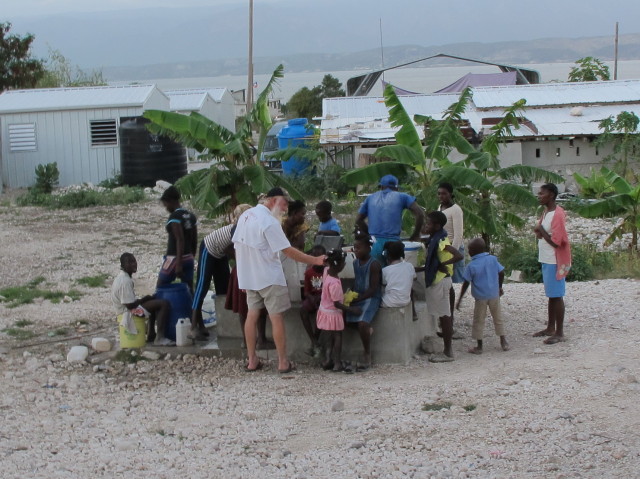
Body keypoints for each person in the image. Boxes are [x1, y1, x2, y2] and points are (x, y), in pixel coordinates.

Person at [232, 187, 325, 373]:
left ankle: (252, 360)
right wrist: (315, 260)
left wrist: (243, 278)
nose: (285, 209)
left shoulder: (246, 215)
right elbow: (288, 251)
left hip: (250, 276)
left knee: (252, 315)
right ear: (274, 200)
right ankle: (283, 363)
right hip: (269, 277)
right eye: (284, 204)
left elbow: (238, 246)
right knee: (276, 318)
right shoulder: (268, 221)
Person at [190, 204, 251, 340]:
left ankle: (222, 325)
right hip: (210, 248)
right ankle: (194, 326)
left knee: (224, 288)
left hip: (221, 253)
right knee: (202, 286)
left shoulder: (247, 229)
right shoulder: (237, 229)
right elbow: (231, 250)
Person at [419, 211, 463, 362]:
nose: (426, 226)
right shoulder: (434, 238)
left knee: (445, 316)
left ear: (437, 226)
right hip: (439, 280)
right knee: (443, 314)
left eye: (428, 224)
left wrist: (442, 265)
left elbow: (458, 255)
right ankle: (446, 348)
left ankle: (447, 352)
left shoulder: (442, 240)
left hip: (441, 281)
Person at [532, 183, 571, 345]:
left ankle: (559, 332)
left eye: (542, 194)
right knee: (551, 295)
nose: (539, 196)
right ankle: (550, 327)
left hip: (555, 259)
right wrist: (540, 230)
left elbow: (557, 242)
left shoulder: (558, 214)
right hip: (546, 258)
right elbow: (542, 234)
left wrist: (541, 229)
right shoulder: (546, 212)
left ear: (552, 195)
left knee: (557, 295)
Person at [456, 238, 510, 354]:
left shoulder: (471, 266)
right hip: (494, 295)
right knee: (498, 318)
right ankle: (503, 341)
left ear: (474, 251)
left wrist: (460, 299)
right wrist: (500, 287)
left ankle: (479, 346)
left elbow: (466, 283)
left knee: (479, 320)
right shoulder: (492, 259)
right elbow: (501, 272)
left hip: (480, 297)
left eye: (469, 249)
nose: (468, 251)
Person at [355, 174, 424, 265]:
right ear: (396, 188)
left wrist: (369, 234)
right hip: (394, 246)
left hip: (374, 244)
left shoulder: (370, 198)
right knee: (393, 276)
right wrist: (416, 234)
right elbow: (420, 214)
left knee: (376, 275)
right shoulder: (402, 196)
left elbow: (358, 220)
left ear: (381, 186)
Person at [112, 253, 172, 346]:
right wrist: (145, 299)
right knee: (163, 304)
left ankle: (151, 334)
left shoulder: (123, 277)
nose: (134, 264)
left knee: (153, 302)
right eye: (130, 262)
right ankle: (160, 338)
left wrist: (146, 299)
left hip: (127, 309)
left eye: (134, 261)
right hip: (126, 313)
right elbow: (130, 305)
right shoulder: (125, 281)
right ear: (123, 265)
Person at [317, 249, 361, 372]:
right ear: (339, 265)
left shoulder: (326, 272)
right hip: (333, 313)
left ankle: (327, 360)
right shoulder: (335, 283)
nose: (345, 265)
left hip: (324, 310)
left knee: (329, 337)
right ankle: (337, 362)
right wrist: (352, 309)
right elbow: (337, 304)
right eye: (344, 263)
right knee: (337, 337)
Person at [345, 234, 382, 370]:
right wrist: (350, 296)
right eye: (355, 247)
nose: (356, 250)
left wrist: (359, 299)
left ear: (368, 248)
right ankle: (368, 330)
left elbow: (373, 289)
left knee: (362, 323)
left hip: (371, 298)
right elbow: (357, 282)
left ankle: (367, 352)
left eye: (359, 248)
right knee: (344, 320)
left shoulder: (374, 265)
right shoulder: (355, 263)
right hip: (360, 295)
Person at [157, 186, 198, 295]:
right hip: (189, 257)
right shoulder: (191, 216)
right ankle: (193, 311)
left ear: (171, 201)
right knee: (190, 289)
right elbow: (194, 239)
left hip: (174, 258)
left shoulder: (174, 217)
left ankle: (162, 309)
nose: (166, 208)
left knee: (160, 287)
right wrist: (192, 257)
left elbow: (180, 239)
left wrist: (179, 264)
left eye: (166, 204)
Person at [437, 182, 465, 337]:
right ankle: (445, 318)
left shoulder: (456, 210)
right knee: (444, 284)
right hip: (442, 249)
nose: (441, 196)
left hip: (452, 249)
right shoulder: (439, 208)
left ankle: (450, 320)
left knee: (449, 284)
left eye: (444, 194)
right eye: (439, 194)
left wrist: (453, 254)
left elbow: (458, 234)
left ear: (451, 194)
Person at [300, 245, 327, 358]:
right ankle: (314, 341)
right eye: (315, 257)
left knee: (320, 313)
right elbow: (306, 292)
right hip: (312, 297)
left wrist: (321, 298)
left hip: (324, 298)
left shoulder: (328, 271)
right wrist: (312, 298)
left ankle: (314, 343)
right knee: (303, 311)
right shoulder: (309, 273)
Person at [381, 241, 416, 308]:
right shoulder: (409, 266)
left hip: (389, 302)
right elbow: (414, 278)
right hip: (406, 301)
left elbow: (383, 284)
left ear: (387, 255)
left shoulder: (385, 270)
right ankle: (413, 312)